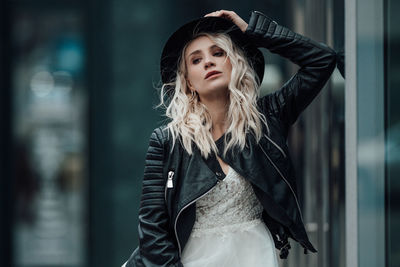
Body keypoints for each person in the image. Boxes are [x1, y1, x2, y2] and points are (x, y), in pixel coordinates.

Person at [122, 9, 337, 267]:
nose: (208, 63)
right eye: (196, 60)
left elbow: (322, 60)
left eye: (218, 53)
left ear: (234, 62)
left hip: (253, 256)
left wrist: (252, 32)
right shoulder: (167, 142)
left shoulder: (266, 120)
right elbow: (153, 231)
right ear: (188, 82)